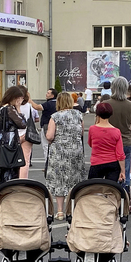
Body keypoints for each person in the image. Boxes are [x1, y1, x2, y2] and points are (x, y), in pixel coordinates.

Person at [45, 91, 85, 221]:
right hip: (75, 152)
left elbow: (50, 136)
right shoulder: (79, 115)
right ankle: (73, 208)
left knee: (59, 181)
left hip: (59, 153)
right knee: (74, 179)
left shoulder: (55, 116)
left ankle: (61, 211)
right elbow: (81, 133)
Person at [0, 86, 27, 194]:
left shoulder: (1, 108)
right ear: (14, 98)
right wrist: (19, 109)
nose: (21, 101)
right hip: (10, 142)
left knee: (1, 167)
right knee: (11, 168)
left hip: (2, 141)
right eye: (20, 98)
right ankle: (9, 195)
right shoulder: (10, 109)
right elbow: (23, 124)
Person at [108, 76, 131, 190]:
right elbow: (130, 121)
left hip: (109, 141)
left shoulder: (106, 104)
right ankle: (125, 196)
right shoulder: (130, 105)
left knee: (110, 173)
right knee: (126, 170)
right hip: (125, 140)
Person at [87, 101, 126, 183]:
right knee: (110, 190)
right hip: (112, 163)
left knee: (93, 189)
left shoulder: (92, 129)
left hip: (96, 162)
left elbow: (90, 144)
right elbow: (120, 154)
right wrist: (123, 171)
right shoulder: (116, 131)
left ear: (97, 114)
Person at [18, 89, 42, 179]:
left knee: (13, 158)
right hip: (27, 134)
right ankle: (23, 180)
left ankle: (14, 180)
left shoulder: (12, 106)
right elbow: (36, 118)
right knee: (26, 160)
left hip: (15, 134)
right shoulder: (29, 106)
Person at [39, 88, 58, 163]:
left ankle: (48, 163)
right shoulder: (57, 103)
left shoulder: (48, 103)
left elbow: (38, 107)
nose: (46, 94)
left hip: (46, 124)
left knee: (46, 145)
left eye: (48, 93)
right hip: (55, 125)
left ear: (52, 95)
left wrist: (30, 100)